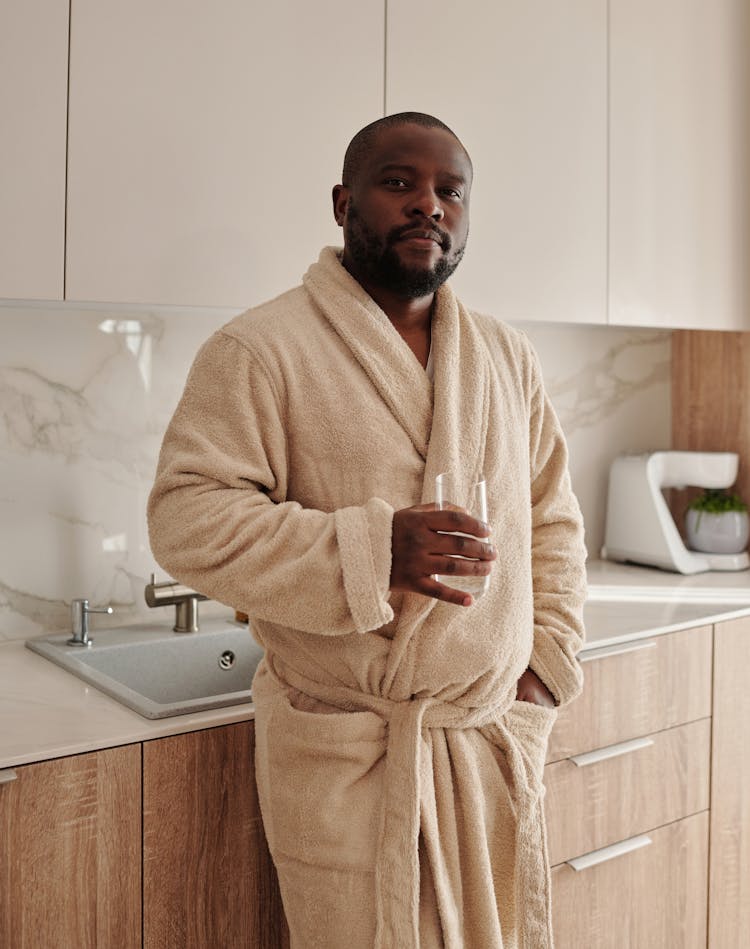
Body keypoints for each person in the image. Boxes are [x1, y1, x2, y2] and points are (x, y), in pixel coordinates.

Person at [147, 111, 586, 948]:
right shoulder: (260, 349)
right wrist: (376, 548)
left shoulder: (505, 357)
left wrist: (547, 668)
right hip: (350, 753)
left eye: (449, 190)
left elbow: (553, 519)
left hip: (485, 739)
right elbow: (186, 517)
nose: (429, 205)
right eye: (399, 183)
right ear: (345, 201)